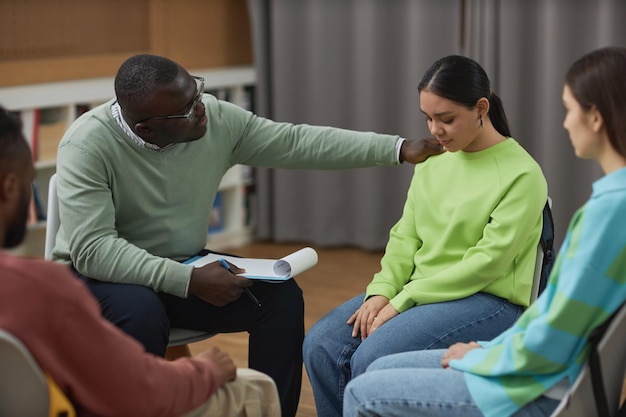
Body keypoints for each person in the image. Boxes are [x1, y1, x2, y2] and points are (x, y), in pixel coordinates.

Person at [50, 53, 443, 417]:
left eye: (198, 91)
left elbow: (295, 142)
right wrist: (188, 281)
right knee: (140, 309)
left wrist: (397, 148)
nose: (202, 108)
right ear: (146, 127)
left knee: (279, 298)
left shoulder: (214, 120)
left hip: (183, 267)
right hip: (100, 280)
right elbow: (93, 249)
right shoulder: (88, 143)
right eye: (187, 109)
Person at [342, 46, 626, 417]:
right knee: (370, 366)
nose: (564, 122)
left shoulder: (607, 214)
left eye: (569, 109)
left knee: (364, 390)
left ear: (596, 117)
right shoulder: (609, 205)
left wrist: (484, 357)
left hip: (532, 384)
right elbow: (555, 317)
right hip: (531, 368)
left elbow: (555, 332)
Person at [303, 54, 548, 417]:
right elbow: (405, 236)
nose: (435, 130)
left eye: (446, 119)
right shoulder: (434, 161)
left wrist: (406, 298)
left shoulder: (523, 175)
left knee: (374, 354)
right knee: (321, 344)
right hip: (421, 292)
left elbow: (488, 262)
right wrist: (382, 290)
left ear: (481, 107)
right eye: (428, 118)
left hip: (488, 300)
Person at [0, 106, 281, 417]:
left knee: (278, 295)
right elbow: (137, 392)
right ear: (8, 187)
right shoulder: (40, 290)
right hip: (126, 366)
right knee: (254, 389)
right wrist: (206, 369)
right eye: (29, 182)